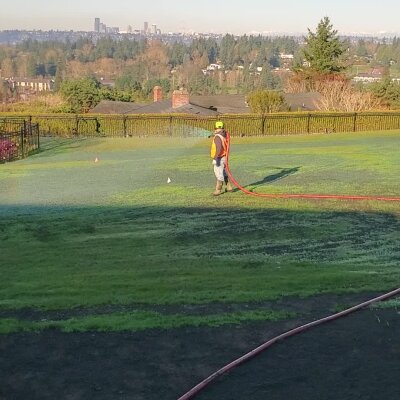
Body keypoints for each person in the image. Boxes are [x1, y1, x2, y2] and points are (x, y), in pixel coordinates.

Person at [210, 121, 233, 196]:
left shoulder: (217, 137)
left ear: (215, 128)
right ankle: (229, 187)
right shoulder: (225, 135)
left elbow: (219, 148)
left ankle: (218, 190)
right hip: (224, 157)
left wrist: (215, 159)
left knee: (219, 174)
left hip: (219, 158)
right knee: (224, 172)